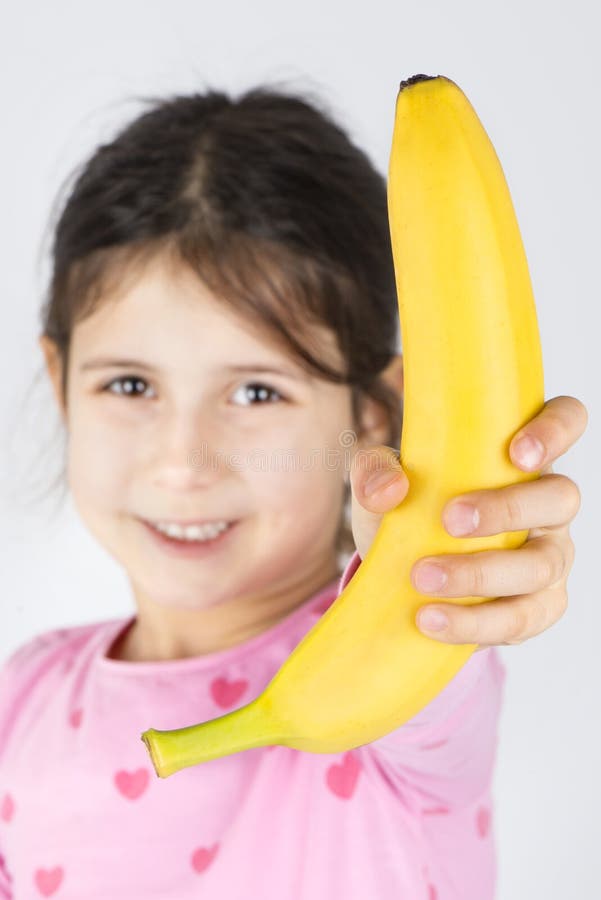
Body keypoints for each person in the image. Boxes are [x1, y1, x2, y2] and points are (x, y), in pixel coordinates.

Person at [0, 82, 587, 898]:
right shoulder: (20, 696)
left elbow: (432, 665)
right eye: (130, 386)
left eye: (255, 393)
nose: (183, 463)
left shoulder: (397, 696)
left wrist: (445, 562)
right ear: (59, 381)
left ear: (377, 415)